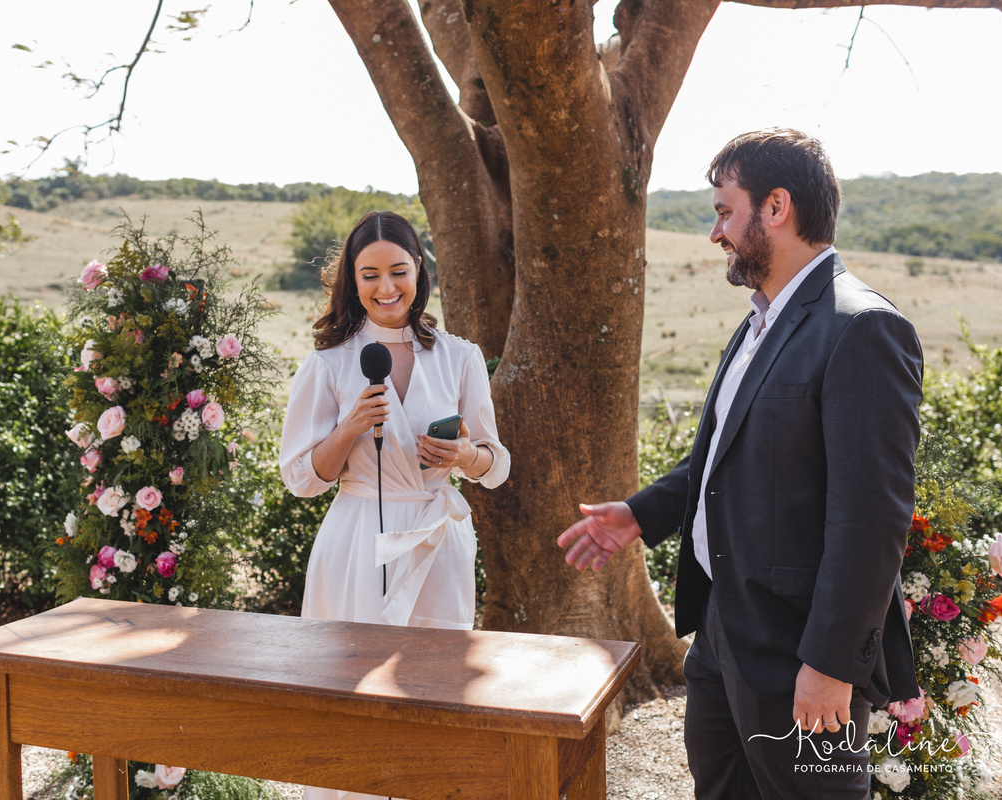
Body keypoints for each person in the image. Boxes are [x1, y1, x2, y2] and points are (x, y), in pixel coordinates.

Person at [557, 129, 923, 799]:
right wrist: (639, 514)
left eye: (726, 211)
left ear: (775, 207)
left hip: (800, 650)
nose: (716, 231)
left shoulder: (863, 328)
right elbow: (718, 463)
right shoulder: (756, 324)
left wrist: (830, 663)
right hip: (722, 635)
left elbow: (871, 519)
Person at [280, 210, 510, 800]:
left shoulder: (460, 356)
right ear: (352, 282)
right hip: (357, 537)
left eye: (399, 271)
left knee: (434, 690)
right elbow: (303, 479)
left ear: (419, 271)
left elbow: (496, 463)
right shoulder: (328, 363)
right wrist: (350, 426)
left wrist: (462, 456)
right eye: (370, 274)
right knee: (351, 687)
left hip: (438, 538)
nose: (386, 288)